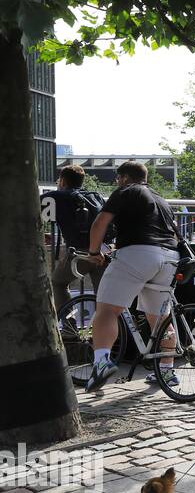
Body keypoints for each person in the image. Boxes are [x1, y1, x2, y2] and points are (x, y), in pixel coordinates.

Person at [82, 162, 181, 392]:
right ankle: (166, 371)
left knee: (107, 309)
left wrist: (94, 252)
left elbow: (100, 223)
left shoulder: (126, 191)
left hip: (139, 254)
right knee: (160, 318)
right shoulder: (161, 199)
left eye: (118, 178)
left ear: (125, 178)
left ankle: (102, 363)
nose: (117, 182)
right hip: (169, 257)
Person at [42, 164, 109, 310]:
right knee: (103, 298)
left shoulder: (56, 196)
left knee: (58, 282)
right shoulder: (94, 196)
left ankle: (69, 329)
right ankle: (108, 330)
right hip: (103, 251)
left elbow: (33, 210)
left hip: (81, 253)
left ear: (62, 181)